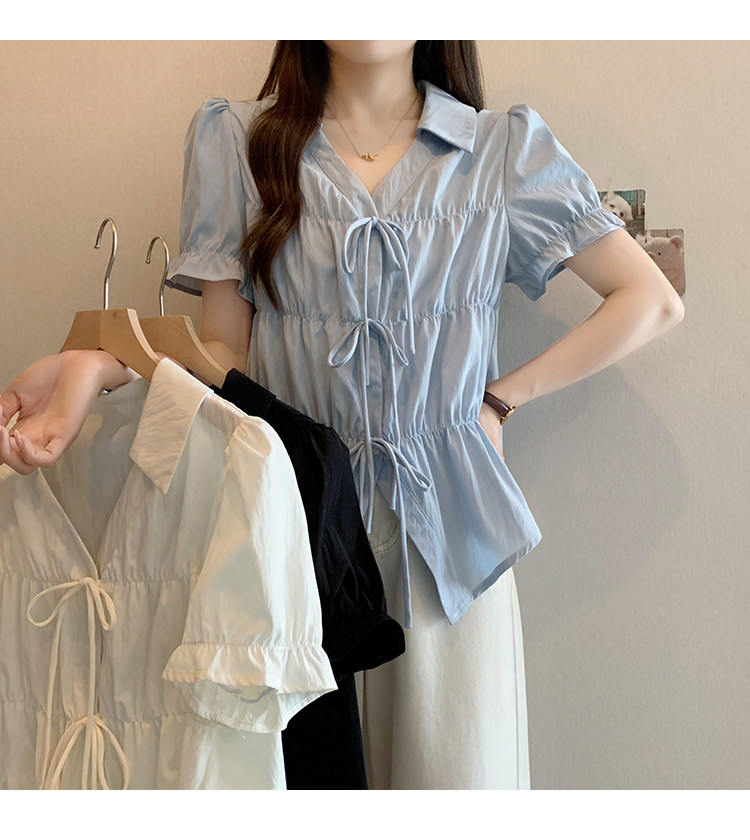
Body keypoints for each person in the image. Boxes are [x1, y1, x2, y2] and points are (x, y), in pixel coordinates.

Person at [0, 40, 684, 789]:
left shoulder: (501, 151)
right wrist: (99, 363)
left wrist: (499, 401)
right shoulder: (241, 144)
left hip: (448, 549)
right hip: (296, 535)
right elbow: (223, 355)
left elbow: (650, 300)